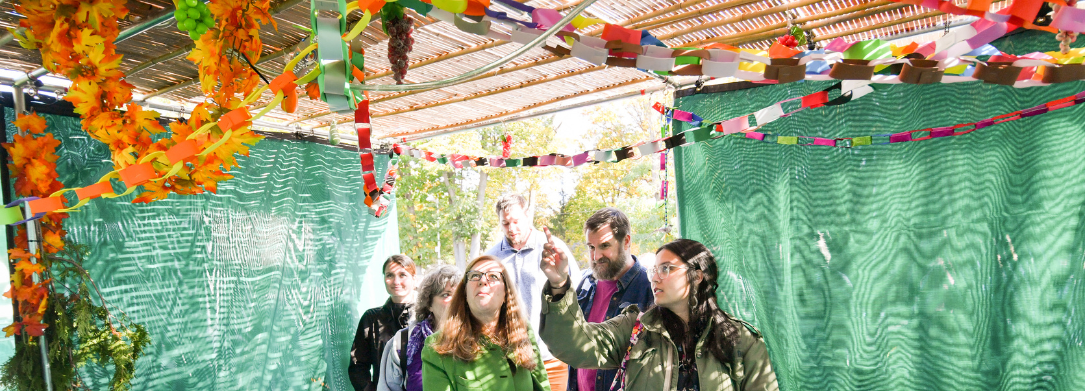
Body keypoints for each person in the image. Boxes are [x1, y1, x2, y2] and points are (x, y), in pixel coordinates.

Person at [538, 238, 778, 391]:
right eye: (654, 269)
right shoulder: (635, 330)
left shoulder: (740, 340)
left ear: (697, 276)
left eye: (667, 269)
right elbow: (571, 344)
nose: (655, 277)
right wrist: (559, 284)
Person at [484, 194, 580, 391]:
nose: (511, 229)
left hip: (554, 358)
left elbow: (577, 293)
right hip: (511, 360)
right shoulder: (492, 257)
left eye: (516, 221)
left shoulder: (552, 248)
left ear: (527, 216)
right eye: (505, 223)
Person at [422, 255, 551, 391]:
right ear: (464, 293)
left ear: (506, 293)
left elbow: (542, 386)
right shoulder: (438, 347)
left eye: (493, 276)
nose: (483, 281)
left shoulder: (522, 331)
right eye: (475, 276)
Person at [569, 208, 654, 391]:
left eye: (604, 246)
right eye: (591, 247)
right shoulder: (585, 284)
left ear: (626, 241)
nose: (595, 256)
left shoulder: (650, 288)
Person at [376, 265, 461, 391]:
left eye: (459, 295)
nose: (455, 301)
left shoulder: (478, 339)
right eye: (446, 294)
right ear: (429, 304)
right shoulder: (403, 341)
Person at [349, 254, 418, 391]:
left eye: (402, 275)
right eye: (390, 275)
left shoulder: (426, 317)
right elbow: (358, 365)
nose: (396, 281)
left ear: (414, 279)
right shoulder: (371, 318)